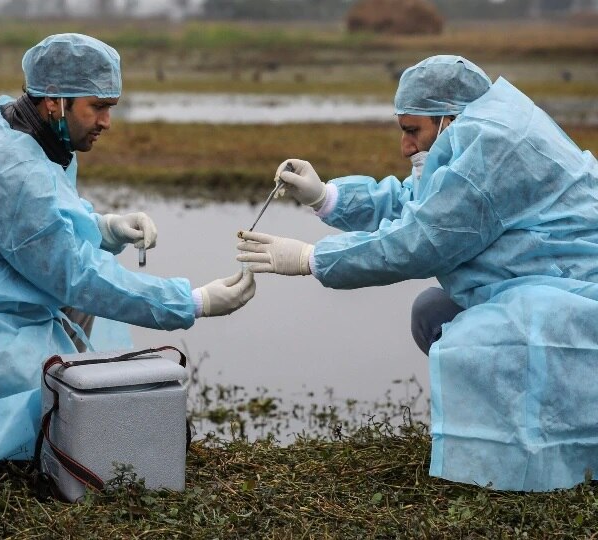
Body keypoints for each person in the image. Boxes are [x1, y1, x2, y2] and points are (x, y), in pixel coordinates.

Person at [0, 33, 255, 483]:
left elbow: (41, 224)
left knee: (80, 372)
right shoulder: (10, 165)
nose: (108, 121)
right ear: (55, 100)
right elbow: (73, 273)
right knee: (46, 400)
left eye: (111, 106)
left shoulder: (23, 128)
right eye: (97, 106)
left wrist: (105, 228)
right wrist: (189, 301)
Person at [237, 55, 598, 491]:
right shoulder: (476, 130)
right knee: (432, 312)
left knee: (483, 333)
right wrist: (327, 197)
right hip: (540, 278)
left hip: (575, 294)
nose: (406, 146)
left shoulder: (493, 146)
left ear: (448, 118)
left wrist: (312, 259)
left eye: (413, 131)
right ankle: (514, 438)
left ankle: (552, 453)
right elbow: (423, 202)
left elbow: (421, 239)